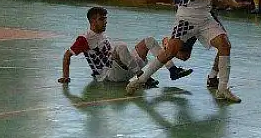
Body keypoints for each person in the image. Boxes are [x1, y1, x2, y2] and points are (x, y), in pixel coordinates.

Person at [127, 0, 241, 102]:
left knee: (225, 45)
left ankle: (222, 89)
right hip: (186, 17)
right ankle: (141, 79)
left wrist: (235, 4)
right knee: (172, 51)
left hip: (205, 16)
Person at [60, 7, 191, 85]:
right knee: (121, 46)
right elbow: (67, 56)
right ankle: (142, 76)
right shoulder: (84, 39)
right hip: (109, 74)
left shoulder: (101, 34)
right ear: (92, 21)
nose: (105, 22)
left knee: (149, 40)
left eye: (105, 19)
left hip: (123, 70)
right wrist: (66, 77)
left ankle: (173, 70)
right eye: (101, 19)